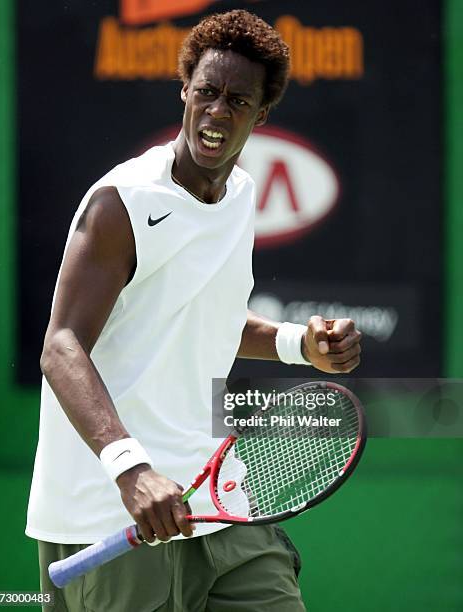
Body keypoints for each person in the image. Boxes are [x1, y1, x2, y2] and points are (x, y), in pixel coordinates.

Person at [26, 9, 361, 612]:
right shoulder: (122, 203)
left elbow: (202, 322)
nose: (216, 112)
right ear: (184, 91)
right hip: (111, 509)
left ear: (259, 116)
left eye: (237, 101)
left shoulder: (241, 197)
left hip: (218, 502)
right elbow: (61, 346)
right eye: (206, 92)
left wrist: (298, 345)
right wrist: (133, 470)